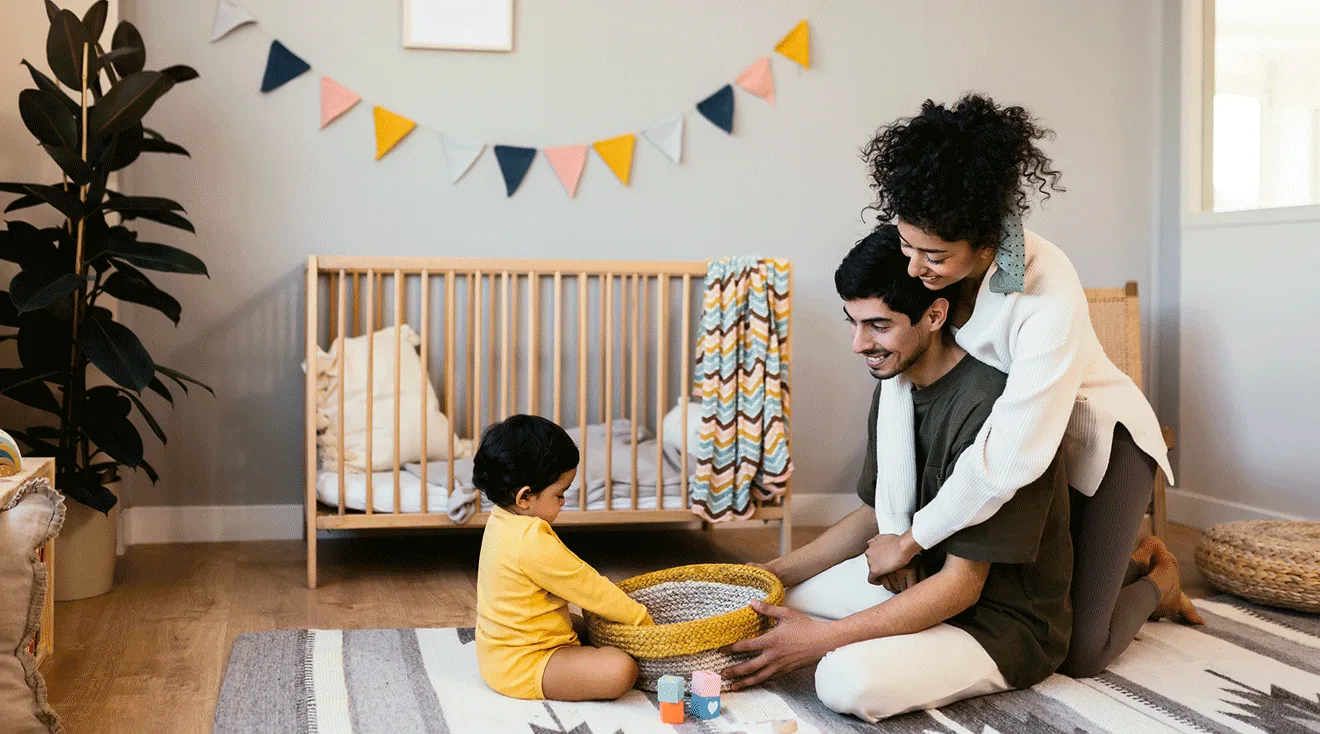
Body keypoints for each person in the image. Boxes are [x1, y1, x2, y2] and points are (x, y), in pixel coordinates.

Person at [859, 94, 1202, 679]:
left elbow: (1014, 450)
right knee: (1025, 599)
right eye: (906, 244)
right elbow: (904, 375)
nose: (915, 268)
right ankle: (1122, 564)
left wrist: (911, 540)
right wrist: (890, 525)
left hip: (1102, 441)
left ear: (988, 242)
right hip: (1033, 449)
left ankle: (1158, 579)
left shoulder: (1048, 289)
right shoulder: (926, 260)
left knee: (1079, 652)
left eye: (934, 256)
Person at [721, 227, 1073, 722]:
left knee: (843, 680)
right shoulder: (895, 387)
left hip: (995, 624)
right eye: (854, 323)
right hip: (918, 584)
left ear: (934, 315)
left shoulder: (992, 407)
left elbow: (963, 586)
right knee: (775, 601)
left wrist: (818, 641)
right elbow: (874, 513)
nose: (858, 344)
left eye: (878, 326)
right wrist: (766, 575)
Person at [472, 415, 653, 701]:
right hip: (525, 665)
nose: (564, 502)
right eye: (559, 494)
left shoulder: (500, 519)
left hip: (501, 651)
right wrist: (642, 619)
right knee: (621, 669)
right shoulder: (531, 540)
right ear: (524, 497)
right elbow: (589, 587)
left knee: (587, 624)